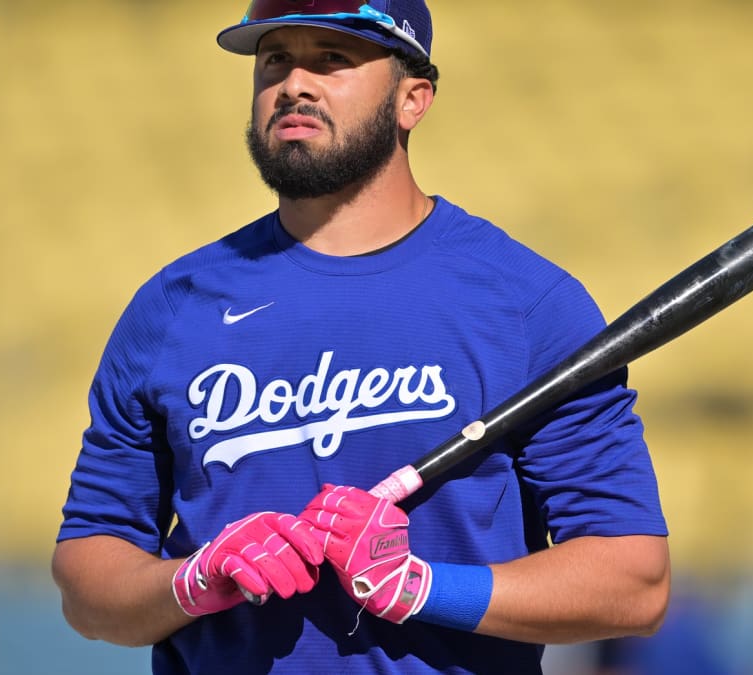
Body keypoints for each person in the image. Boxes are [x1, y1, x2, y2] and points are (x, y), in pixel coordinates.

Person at [51, 2, 671, 673]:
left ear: (413, 99)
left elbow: (633, 582)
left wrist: (423, 587)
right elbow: (88, 582)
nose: (294, 84)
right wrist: (193, 580)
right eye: (275, 60)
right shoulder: (173, 309)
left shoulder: (528, 305)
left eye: (333, 59)